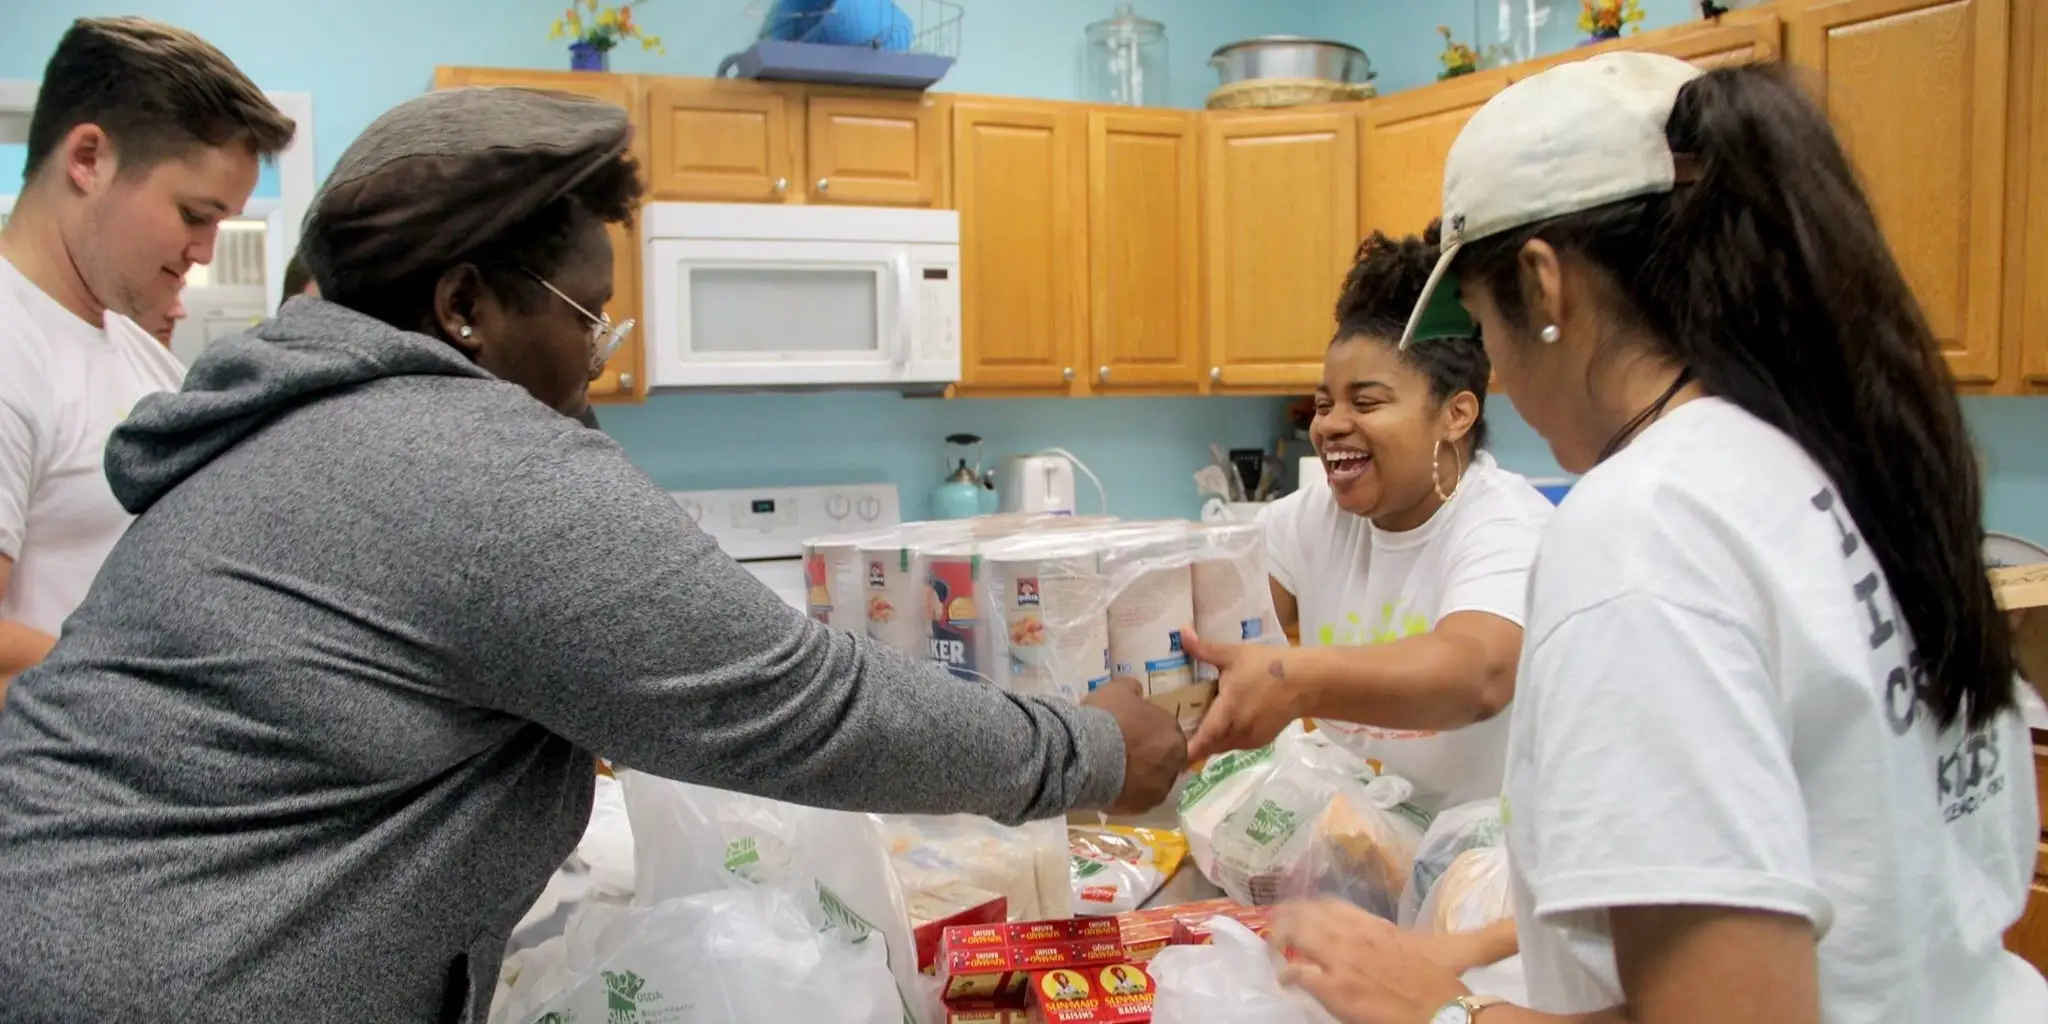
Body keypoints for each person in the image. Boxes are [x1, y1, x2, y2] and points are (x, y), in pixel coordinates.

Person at [0, 86, 1186, 1022]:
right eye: (586, 321)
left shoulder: (290, 425)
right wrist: (1091, 752)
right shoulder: (471, 458)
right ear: (465, 306)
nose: (599, 365)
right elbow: (804, 707)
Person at [1274, 53, 2048, 1024]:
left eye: (1482, 322)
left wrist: (1439, 1009)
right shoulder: (1845, 456)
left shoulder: (1640, 533)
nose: (1501, 378)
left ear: (1543, 287)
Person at [1183, 224, 1553, 815]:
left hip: (1476, 879)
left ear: (1455, 414)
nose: (1329, 424)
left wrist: (1294, 676)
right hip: (1350, 860)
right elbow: (1212, 628)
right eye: (1324, 403)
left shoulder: (1504, 527)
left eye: (1367, 401)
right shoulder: (1308, 520)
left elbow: (1477, 672)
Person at [0, 17, 292, 688]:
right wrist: (169, 692)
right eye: (195, 215)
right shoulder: (10, 343)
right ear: (88, 159)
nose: (206, 251)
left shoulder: (138, 352)